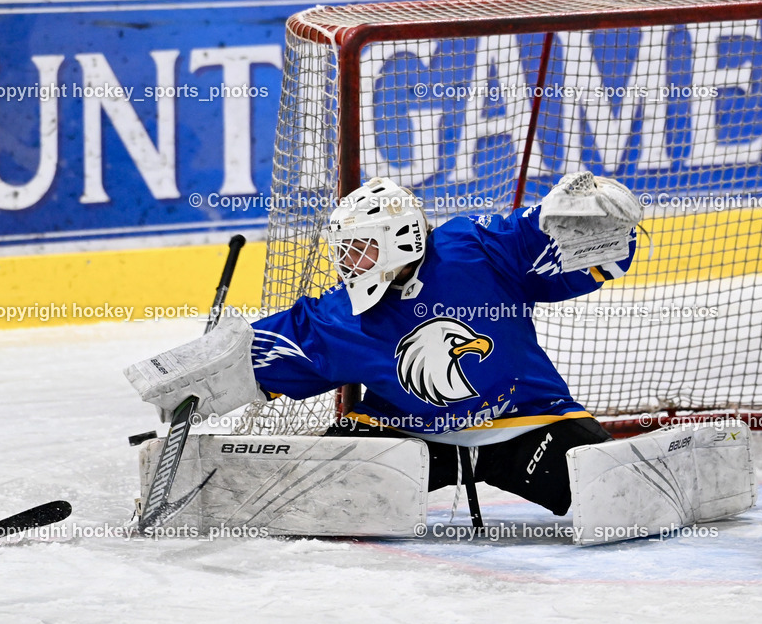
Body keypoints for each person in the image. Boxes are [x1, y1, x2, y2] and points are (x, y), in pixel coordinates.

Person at [247, 174, 642, 516]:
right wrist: (203, 367)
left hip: (528, 420)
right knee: (311, 493)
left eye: (360, 246)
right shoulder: (342, 314)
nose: (348, 262)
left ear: (399, 237)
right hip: (406, 431)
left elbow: (547, 238)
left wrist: (598, 212)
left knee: (616, 493)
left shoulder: (479, 248)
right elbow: (258, 354)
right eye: (345, 250)